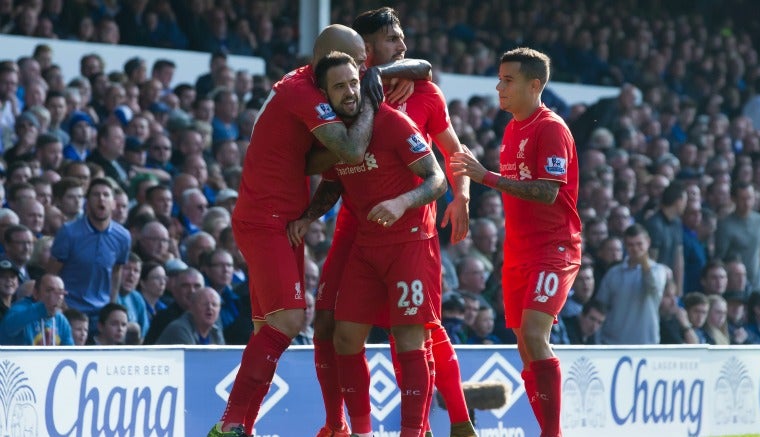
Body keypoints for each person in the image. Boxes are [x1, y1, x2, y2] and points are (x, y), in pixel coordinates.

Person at [208, 24, 430, 437]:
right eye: (358, 65)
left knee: (266, 332)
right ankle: (231, 423)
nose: (363, 73)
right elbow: (349, 150)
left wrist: (378, 76)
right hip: (267, 219)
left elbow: (425, 67)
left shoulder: (317, 82)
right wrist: (368, 103)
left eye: (363, 67)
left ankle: (242, 426)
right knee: (290, 322)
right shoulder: (306, 93)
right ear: (328, 59)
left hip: (281, 219)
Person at [287, 51, 446, 437]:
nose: (349, 92)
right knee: (344, 337)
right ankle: (360, 432)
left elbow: (437, 178)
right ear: (324, 93)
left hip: (408, 244)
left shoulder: (392, 123)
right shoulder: (335, 135)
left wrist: (401, 202)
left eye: (353, 83)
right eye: (339, 86)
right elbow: (335, 180)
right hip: (366, 245)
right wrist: (309, 216)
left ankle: (412, 432)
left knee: (409, 339)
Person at [450, 47, 581, 437]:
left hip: (554, 248)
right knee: (524, 342)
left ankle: (552, 434)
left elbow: (546, 192)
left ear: (534, 84)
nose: (499, 87)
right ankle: (546, 429)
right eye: (500, 79)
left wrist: (484, 176)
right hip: (518, 251)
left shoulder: (550, 127)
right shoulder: (512, 128)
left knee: (537, 334)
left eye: (508, 80)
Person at [48, 178, 131, 335]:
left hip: (102, 312)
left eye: (106, 195)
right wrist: (63, 306)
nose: (101, 199)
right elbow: (52, 274)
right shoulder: (68, 232)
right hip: (70, 310)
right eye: (96, 195)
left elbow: (116, 271)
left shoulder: (123, 236)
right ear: (87, 202)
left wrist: (111, 305)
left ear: (113, 203)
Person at [596, 224, 668, 344]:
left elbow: (653, 287)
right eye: (630, 245)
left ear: (648, 242)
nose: (635, 249)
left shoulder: (658, 270)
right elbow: (601, 306)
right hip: (613, 342)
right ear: (625, 246)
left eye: (639, 244)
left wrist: (645, 264)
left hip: (645, 342)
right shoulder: (613, 273)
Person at [714, 183, 760, 289]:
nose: (747, 203)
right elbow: (719, 257)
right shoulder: (725, 225)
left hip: (756, 279)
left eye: (750, 198)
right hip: (734, 283)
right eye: (742, 199)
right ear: (734, 199)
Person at [0, 273, 73, 345]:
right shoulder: (20, 309)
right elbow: (8, 328)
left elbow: (70, 353)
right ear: (35, 293)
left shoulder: (61, 320)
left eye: (60, 292)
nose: (56, 296)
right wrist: (43, 308)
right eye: (49, 290)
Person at [156, 286, 224, 345]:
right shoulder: (180, 329)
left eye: (214, 305)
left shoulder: (216, 331)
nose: (210, 308)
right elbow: (191, 359)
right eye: (204, 304)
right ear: (192, 307)